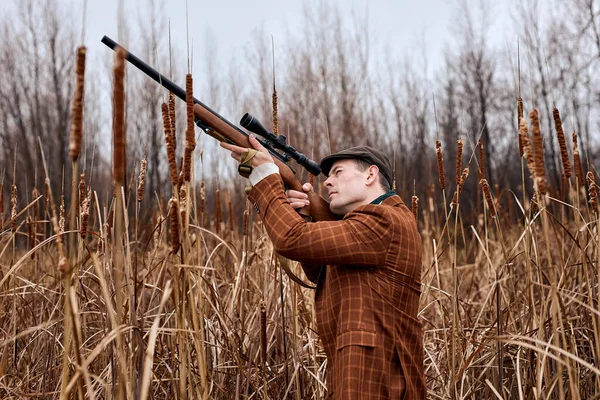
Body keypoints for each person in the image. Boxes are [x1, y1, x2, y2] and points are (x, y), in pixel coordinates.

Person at [221, 135, 425, 399]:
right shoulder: (375, 227)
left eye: (338, 172)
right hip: (363, 381)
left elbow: (290, 239)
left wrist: (267, 179)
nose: (327, 181)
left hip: (377, 384)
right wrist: (309, 213)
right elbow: (321, 272)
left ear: (370, 174)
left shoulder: (384, 220)